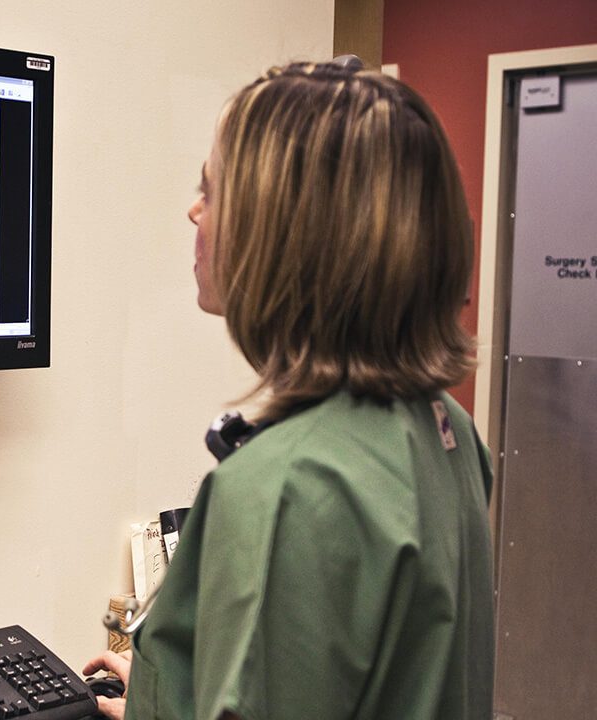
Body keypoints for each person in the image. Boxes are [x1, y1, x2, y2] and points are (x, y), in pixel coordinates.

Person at [83, 61, 495, 720]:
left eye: (211, 189)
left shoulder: (287, 487)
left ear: (283, 230)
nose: (193, 210)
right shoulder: (445, 428)